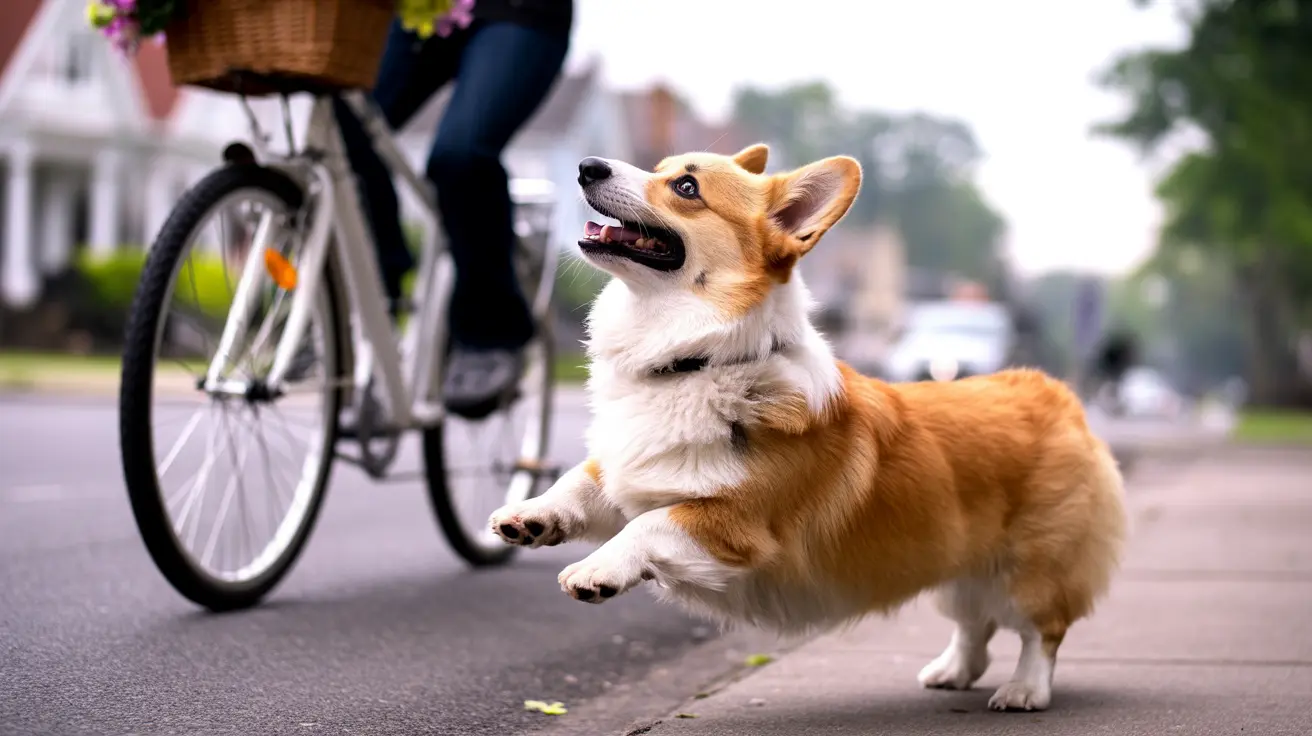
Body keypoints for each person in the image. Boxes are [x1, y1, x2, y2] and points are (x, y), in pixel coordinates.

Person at [332, 0, 573, 420]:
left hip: (519, 13)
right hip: (420, 12)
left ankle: (491, 333)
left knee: (459, 155)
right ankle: (378, 294)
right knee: (342, 124)